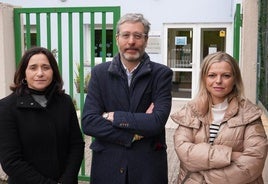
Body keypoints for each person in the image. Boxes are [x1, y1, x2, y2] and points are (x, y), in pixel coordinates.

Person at [82, 13, 173, 184]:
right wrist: (132, 135)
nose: (131, 41)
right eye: (126, 35)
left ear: (145, 40)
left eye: (138, 36)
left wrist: (113, 116)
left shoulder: (161, 74)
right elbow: (89, 123)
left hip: (147, 168)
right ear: (117, 39)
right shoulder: (99, 73)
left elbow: (156, 122)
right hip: (108, 166)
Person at [171, 51, 268, 184]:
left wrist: (202, 175)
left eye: (226, 76)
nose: (218, 81)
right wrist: (230, 155)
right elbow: (184, 152)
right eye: (212, 75)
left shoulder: (249, 114)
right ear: (204, 79)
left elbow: (253, 163)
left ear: (235, 79)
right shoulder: (191, 110)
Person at [0, 46, 85, 184]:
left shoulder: (65, 102)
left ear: (53, 72)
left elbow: (76, 145)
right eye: (33, 68)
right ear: (24, 73)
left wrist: (67, 179)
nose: (40, 73)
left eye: (46, 67)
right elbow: (11, 161)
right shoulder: (7, 107)